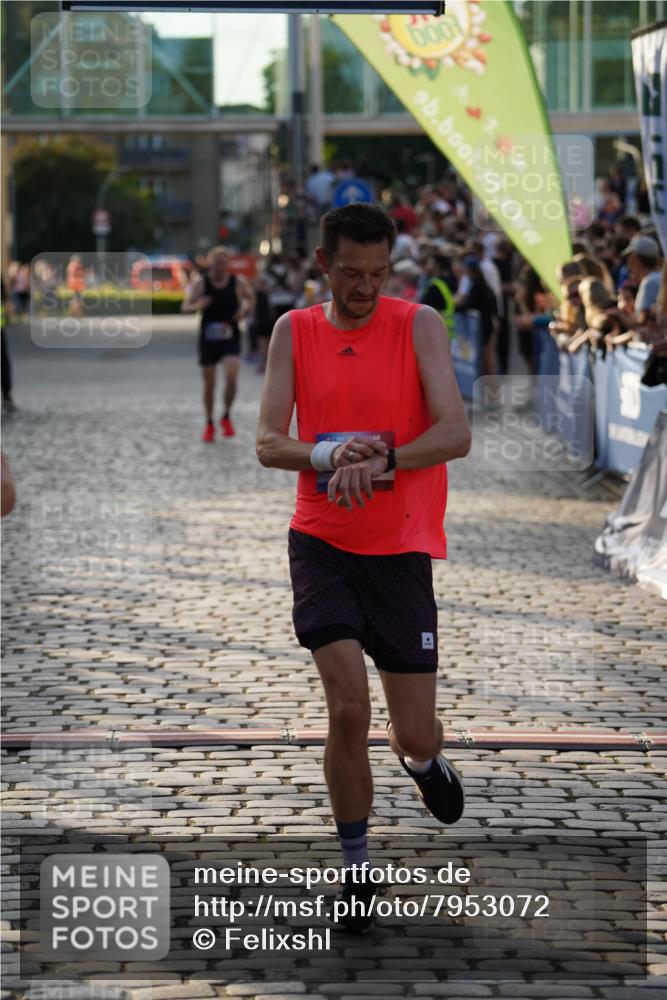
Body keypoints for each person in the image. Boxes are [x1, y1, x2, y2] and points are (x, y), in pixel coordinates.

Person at [256, 203, 470, 934]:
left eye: (378, 274)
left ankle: (423, 764)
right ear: (324, 263)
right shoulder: (294, 330)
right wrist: (326, 454)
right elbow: (268, 442)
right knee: (348, 711)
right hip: (321, 543)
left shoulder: (418, 324)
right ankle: (355, 869)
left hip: (400, 549)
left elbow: (455, 432)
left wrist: (385, 460)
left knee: (415, 733)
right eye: (351, 273)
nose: (366, 288)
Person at [182, 246, 254, 442]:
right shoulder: (202, 283)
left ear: (228, 264)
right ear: (210, 264)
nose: (219, 267)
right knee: (210, 384)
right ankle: (209, 422)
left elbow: (249, 299)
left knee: (231, 377)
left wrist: (243, 311)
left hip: (230, 336)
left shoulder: (237, 282)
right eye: (216, 264)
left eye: (223, 263)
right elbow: (185, 306)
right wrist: (197, 305)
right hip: (209, 339)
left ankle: (226, 416)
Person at [622, 235, 663, 324]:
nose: (628, 263)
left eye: (629, 257)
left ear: (636, 258)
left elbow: (642, 323)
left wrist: (619, 315)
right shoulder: (658, 277)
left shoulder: (650, 282)